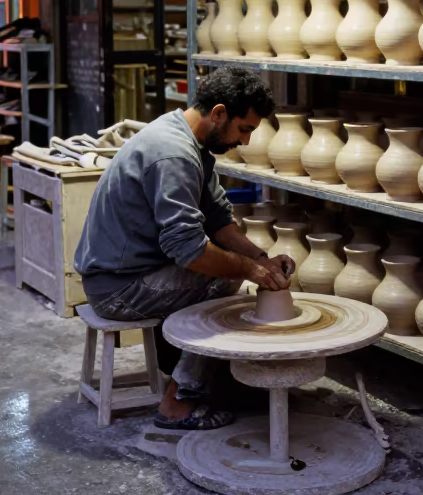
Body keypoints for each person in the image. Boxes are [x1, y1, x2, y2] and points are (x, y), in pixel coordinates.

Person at [74, 66, 291, 430]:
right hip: (117, 288)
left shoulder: (189, 139)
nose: (247, 142)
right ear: (219, 113)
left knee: (231, 268)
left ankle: (198, 378)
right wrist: (248, 271)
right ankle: (179, 400)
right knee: (221, 281)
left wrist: (260, 259)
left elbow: (218, 220)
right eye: (244, 129)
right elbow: (189, 251)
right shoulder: (173, 153)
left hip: (138, 272)